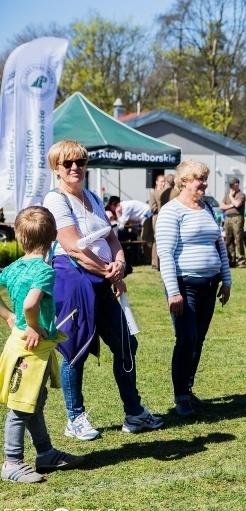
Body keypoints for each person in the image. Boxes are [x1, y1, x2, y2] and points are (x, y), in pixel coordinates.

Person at [43, 139, 163, 440]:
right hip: (75, 283)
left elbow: (110, 237)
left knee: (126, 345)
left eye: (80, 162)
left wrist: (119, 263)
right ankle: (75, 418)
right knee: (75, 350)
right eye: (68, 163)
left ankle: (134, 413)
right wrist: (108, 270)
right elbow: (72, 246)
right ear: (56, 168)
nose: (75, 167)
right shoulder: (56, 200)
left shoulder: (94, 197)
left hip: (102, 281)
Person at [0, 207, 84, 484]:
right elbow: (30, 304)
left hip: (29, 346)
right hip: (30, 349)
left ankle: (45, 453)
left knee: (34, 401)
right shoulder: (45, 271)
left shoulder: (14, 267)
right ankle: (12, 462)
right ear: (54, 236)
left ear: (19, 236)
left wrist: (8, 316)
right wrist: (32, 324)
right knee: (22, 406)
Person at [156, 160, 232, 417]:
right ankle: (180, 397)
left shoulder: (207, 207)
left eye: (205, 178)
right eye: (200, 178)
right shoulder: (171, 211)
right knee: (186, 339)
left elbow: (219, 245)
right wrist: (173, 292)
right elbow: (165, 254)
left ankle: (188, 391)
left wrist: (227, 280)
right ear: (184, 182)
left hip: (210, 284)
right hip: (184, 285)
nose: (204, 183)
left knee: (198, 339)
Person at [152, 173, 180, 270]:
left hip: (160, 217)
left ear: (166, 181)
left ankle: (157, 263)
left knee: (158, 240)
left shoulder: (158, 192)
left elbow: (153, 207)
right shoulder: (177, 193)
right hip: (174, 218)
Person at [221, 177, 246, 267]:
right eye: (229, 185)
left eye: (232, 185)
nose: (230, 187)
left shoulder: (241, 194)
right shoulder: (227, 194)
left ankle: (241, 260)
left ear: (237, 185)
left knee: (238, 239)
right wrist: (231, 205)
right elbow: (221, 206)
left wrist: (231, 197)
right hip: (228, 218)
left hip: (237, 218)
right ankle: (231, 260)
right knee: (228, 239)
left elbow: (237, 204)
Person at [148, 174, 166, 270]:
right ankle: (155, 262)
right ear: (157, 182)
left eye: (164, 181)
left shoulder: (166, 193)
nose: (163, 183)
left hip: (164, 217)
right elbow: (152, 207)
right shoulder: (153, 193)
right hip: (157, 217)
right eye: (161, 181)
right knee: (156, 239)